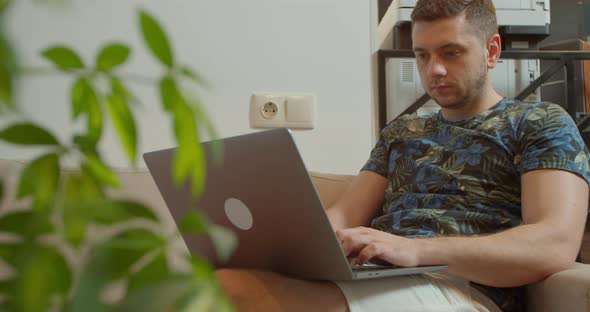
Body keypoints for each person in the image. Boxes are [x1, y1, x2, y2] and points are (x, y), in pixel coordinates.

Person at [215, 0, 590, 311]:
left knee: (232, 293)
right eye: (422, 56)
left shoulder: (539, 122)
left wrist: (413, 250)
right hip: (380, 277)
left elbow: (554, 243)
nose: (434, 70)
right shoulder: (401, 131)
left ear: (492, 51)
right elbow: (345, 214)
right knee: (200, 285)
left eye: (452, 53)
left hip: (464, 289)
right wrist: (292, 246)